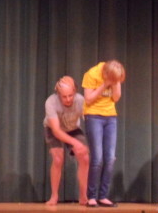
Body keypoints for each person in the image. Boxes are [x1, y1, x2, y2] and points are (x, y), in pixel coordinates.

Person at [82, 60, 126, 208]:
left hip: (110, 117)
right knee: (98, 158)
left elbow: (116, 98)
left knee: (110, 158)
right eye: (113, 79)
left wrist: (114, 84)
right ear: (106, 74)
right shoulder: (91, 74)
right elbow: (88, 99)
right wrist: (104, 85)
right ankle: (92, 197)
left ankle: (103, 196)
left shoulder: (115, 76)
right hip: (93, 116)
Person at [43, 76, 89, 206]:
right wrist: (75, 143)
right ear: (58, 94)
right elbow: (57, 131)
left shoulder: (81, 100)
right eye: (64, 96)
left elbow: (89, 119)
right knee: (58, 158)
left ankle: (83, 195)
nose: (68, 99)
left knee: (84, 157)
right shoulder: (50, 102)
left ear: (74, 92)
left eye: (70, 95)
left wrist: (83, 144)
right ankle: (54, 196)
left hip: (73, 128)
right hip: (53, 128)